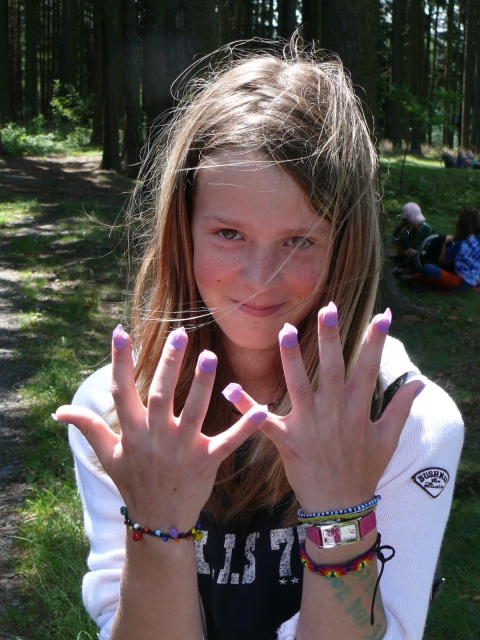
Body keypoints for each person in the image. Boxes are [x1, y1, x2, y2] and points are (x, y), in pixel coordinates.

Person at [53, 43, 463, 640]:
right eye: (228, 233)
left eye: (299, 240)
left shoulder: (407, 422)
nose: (260, 277)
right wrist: (157, 526)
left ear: (345, 248)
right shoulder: (120, 414)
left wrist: (341, 514)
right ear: (182, 232)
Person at [414, 206, 480, 291]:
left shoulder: (462, 245)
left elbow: (441, 258)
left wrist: (446, 240)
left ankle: (415, 279)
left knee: (428, 268)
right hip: (472, 280)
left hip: (460, 282)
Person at [391, 203, 434, 275]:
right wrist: (405, 252)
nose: (417, 222)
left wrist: (417, 252)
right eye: (414, 220)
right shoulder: (401, 228)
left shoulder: (426, 229)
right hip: (403, 257)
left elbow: (430, 249)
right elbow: (395, 243)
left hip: (419, 259)